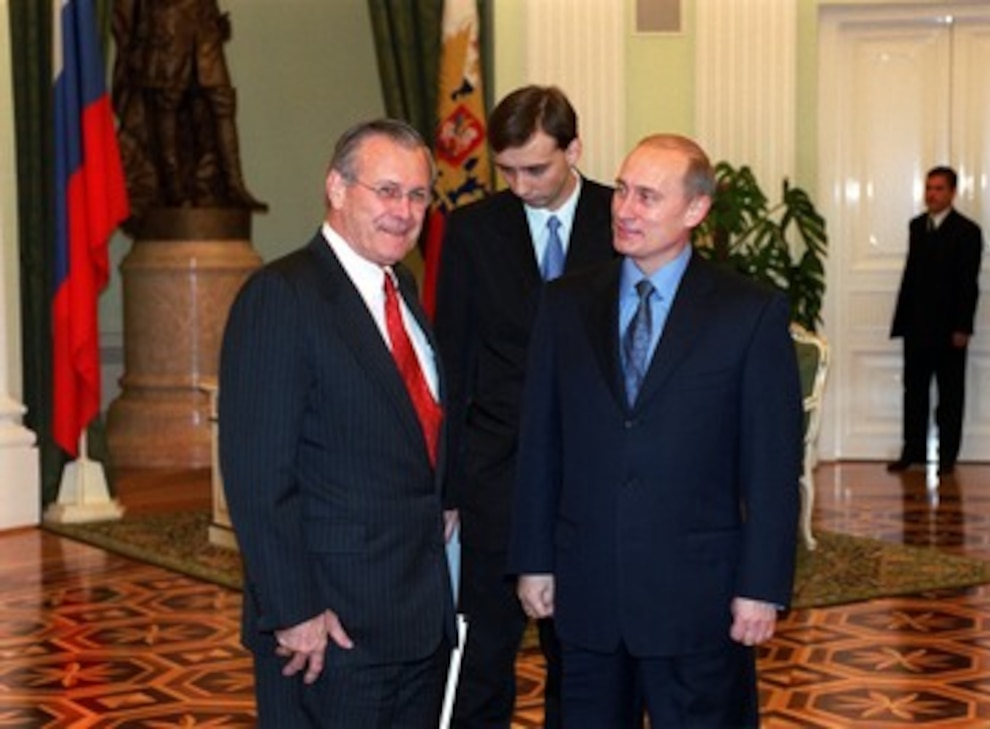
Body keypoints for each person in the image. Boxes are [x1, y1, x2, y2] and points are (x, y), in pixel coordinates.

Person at [508, 133, 802, 727]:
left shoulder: (750, 312)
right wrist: (534, 559)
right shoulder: (565, 305)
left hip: (700, 603)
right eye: (620, 190)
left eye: (646, 196)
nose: (624, 209)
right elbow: (541, 442)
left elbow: (772, 464)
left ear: (695, 210)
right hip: (586, 597)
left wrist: (762, 586)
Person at [218, 118, 456, 728]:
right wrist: (294, 611)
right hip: (330, 633)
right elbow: (257, 476)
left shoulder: (400, 289)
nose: (404, 211)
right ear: (337, 187)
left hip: (415, 620)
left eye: (418, 195)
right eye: (386, 190)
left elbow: (412, 437)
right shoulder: (282, 297)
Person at [433, 85, 616, 729]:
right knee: (482, 656)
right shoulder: (472, 231)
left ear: (575, 150)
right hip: (496, 479)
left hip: (595, 483)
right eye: (506, 170)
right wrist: (448, 487)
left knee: (586, 662)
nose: (520, 185)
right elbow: (451, 366)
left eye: (535, 168)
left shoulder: (622, 219)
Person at [112, 0, 265, 216]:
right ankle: (173, 190)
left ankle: (234, 185)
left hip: (205, 32)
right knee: (168, 104)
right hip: (168, 31)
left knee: (222, 103)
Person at [888, 166, 983, 475]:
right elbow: (911, 276)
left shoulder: (968, 231)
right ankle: (912, 451)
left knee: (950, 395)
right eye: (928, 188)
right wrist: (901, 321)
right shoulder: (917, 226)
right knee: (913, 392)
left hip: (949, 330)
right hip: (917, 326)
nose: (932, 194)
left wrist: (963, 327)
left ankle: (946, 457)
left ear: (952, 193)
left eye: (939, 188)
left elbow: (968, 283)